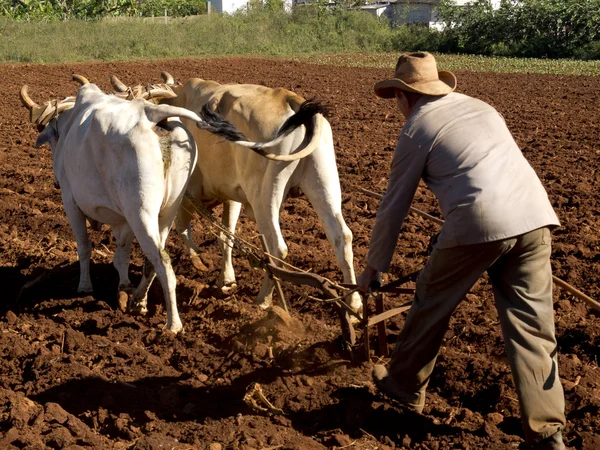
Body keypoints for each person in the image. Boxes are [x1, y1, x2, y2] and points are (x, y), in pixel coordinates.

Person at [356, 52, 566, 450]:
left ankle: (402, 384)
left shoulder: (416, 128)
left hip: (479, 223)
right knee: (533, 327)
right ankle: (547, 431)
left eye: (397, 98)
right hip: (536, 218)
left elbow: (393, 206)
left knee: (431, 300)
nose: (397, 107)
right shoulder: (481, 107)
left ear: (406, 96)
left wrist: (373, 268)